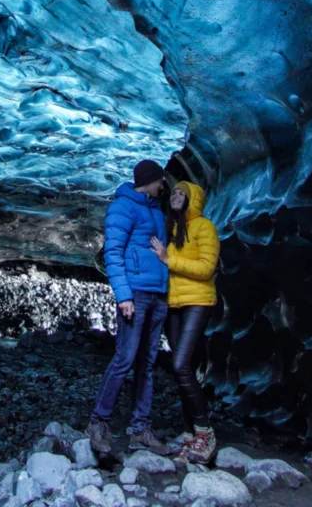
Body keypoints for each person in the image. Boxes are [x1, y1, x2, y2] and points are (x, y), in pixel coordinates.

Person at [87, 159, 171, 456]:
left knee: (147, 364)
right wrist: (123, 296)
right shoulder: (123, 207)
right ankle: (99, 422)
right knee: (125, 358)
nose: (163, 185)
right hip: (135, 293)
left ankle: (140, 429)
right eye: (160, 180)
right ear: (149, 180)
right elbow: (113, 252)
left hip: (158, 294)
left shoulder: (156, 210)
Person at [150, 180, 220, 464]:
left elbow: (207, 268)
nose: (177, 195)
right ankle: (191, 434)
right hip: (175, 304)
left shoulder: (205, 227)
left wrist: (169, 260)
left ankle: (206, 432)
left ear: (194, 200)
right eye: (175, 192)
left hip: (198, 302)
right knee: (183, 370)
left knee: (179, 364)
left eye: (183, 193)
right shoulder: (173, 228)